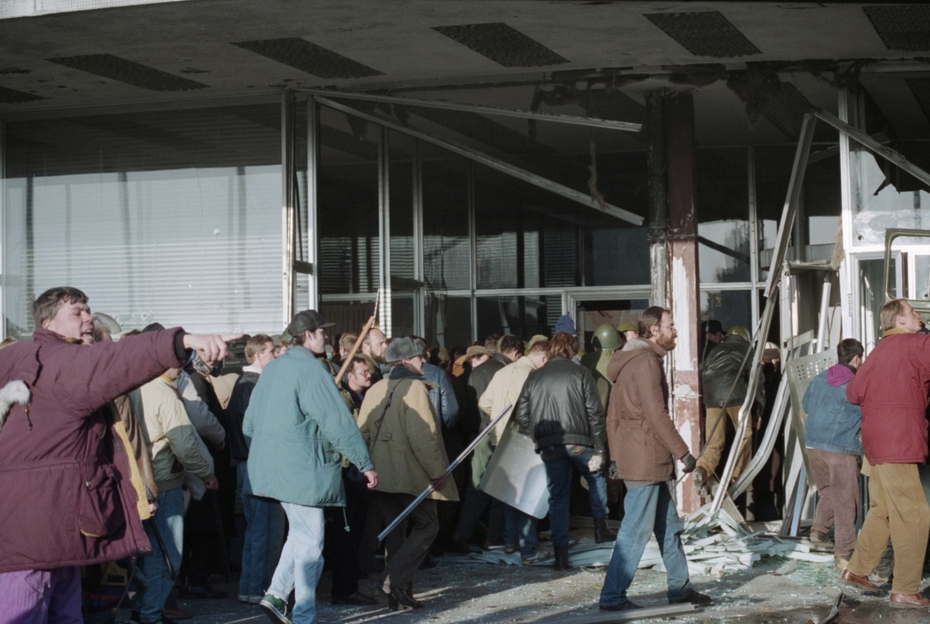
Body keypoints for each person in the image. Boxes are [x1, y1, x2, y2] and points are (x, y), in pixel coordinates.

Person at [0, 286, 236, 624]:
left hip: (49, 525)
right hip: (36, 530)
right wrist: (178, 342)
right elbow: (116, 360)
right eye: (77, 312)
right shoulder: (58, 361)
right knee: (25, 612)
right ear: (48, 323)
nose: (88, 317)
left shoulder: (23, 357)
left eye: (88, 310)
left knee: (64, 609)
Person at [245, 310, 378, 624]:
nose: (326, 337)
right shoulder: (312, 370)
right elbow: (337, 422)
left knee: (300, 537)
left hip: (271, 468)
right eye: (322, 332)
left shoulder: (273, 368)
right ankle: (303, 614)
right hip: (303, 469)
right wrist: (365, 462)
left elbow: (249, 424)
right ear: (308, 335)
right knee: (311, 543)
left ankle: (276, 595)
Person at [599, 306, 710, 612]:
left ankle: (680, 587)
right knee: (635, 529)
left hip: (641, 456)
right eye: (671, 326)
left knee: (668, 525)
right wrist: (683, 452)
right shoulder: (646, 363)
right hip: (646, 458)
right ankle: (612, 596)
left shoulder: (630, 362)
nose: (675, 331)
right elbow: (655, 414)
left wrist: (615, 455)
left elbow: (613, 417)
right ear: (653, 331)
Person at [357, 337, 459, 611]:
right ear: (404, 361)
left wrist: (367, 468)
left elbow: (362, 431)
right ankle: (393, 581)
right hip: (411, 475)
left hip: (381, 474)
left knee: (395, 532)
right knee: (428, 526)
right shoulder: (415, 389)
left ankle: (398, 598)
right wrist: (438, 471)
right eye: (419, 357)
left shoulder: (376, 388)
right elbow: (424, 436)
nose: (425, 360)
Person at [840, 299, 930, 608]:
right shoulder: (917, 345)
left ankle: (857, 570)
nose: (919, 317)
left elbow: (853, 393)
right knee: (915, 514)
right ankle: (905, 588)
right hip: (899, 441)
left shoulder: (877, 352)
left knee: (884, 509)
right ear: (901, 322)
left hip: (873, 443)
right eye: (914, 313)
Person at [513, 332, 614, 570]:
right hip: (579, 441)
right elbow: (595, 414)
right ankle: (601, 527)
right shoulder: (581, 373)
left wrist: (539, 437)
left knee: (558, 497)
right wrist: (600, 450)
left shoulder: (535, 377)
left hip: (550, 444)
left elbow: (521, 416)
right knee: (596, 476)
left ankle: (560, 555)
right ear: (572, 350)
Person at [135, 361, 219, 624]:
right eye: (178, 361)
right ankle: (150, 615)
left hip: (140, 483)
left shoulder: (135, 388)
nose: (182, 368)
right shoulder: (164, 394)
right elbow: (185, 445)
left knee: (148, 553)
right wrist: (207, 473)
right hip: (164, 483)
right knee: (167, 555)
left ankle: (145, 610)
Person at [478, 338, 551, 564]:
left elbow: (484, 402)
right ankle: (528, 547)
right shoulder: (532, 376)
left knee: (508, 495)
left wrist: (499, 422)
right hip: (524, 440)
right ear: (543, 358)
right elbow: (534, 410)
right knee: (527, 497)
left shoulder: (503, 371)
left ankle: (510, 542)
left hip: (500, 438)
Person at [227, 334, 284, 605]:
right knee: (264, 530)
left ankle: (251, 586)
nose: (275, 356)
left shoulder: (247, 384)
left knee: (258, 529)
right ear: (259, 355)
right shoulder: (252, 385)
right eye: (272, 351)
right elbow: (257, 430)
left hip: (250, 464)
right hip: (258, 465)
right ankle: (256, 588)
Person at [802, 338, 864, 569]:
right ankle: (845, 552)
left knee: (828, 491)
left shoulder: (820, 377)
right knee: (847, 499)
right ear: (856, 358)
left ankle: (819, 528)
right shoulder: (856, 383)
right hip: (839, 447)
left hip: (813, 445)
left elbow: (806, 405)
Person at [326, 355, 377, 607]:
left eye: (369, 371)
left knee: (355, 527)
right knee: (345, 529)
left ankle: (350, 579)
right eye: (362, 371)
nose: (368, 374)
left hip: (356, 468)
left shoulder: (360, 397)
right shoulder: (342, 398)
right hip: (347, 470)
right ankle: (344, 588)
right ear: (349, 375)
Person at [694, 325, 765, 497]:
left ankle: (702, 470)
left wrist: (706, 405)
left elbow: (703, 374)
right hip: (736, 398)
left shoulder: (714, 350)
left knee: (714, 442)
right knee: (744, 436)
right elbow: (758, 382)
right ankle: (734, 478)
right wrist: (759, 412)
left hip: (712, 401)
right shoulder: (748, 349)